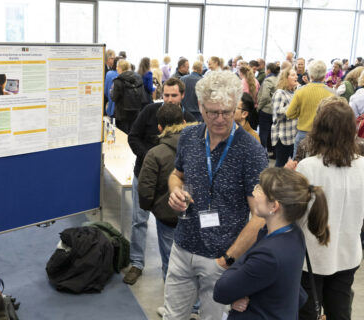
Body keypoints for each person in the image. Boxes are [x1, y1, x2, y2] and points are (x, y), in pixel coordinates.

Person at [163, 71, 268, 320]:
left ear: (237, 108)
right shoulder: (189, 136)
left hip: (221, 259)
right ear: (200, 106)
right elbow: (176, 175)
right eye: (212, 112)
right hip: (182, 247)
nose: (220, 119)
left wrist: (227, 260)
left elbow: (260, 216)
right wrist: (175, 190)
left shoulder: (251, 150)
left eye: (227, 112)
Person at [213, 167, 329, 319]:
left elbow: (221, 291)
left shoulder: (268, 255)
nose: (254, 193)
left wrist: (239, 292)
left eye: (260, 190)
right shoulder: (293, 232)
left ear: (274, 206)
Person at [287, 96, 364, 320]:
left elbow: (294, 213)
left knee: (307, 312)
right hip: (348, 253)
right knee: (340, 311)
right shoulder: (362, 166)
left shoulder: (307, 167)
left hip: (311, 256)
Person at [124, 78, 196, 286]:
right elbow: (133, 137)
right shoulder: (149, 111)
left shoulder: (189, 120)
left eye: (174, 95)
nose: (170, 99)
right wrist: (151, 158)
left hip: (171, 185)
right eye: (166, 95)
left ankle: (172, 273)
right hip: (144, 176)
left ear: (182, 96)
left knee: (172, 228)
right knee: (139, 220)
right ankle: (136, 263)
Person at [286, 60, 334, 158]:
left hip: (303, 134)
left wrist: (301, 112)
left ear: (310, 74)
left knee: (298, 165)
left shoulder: (300, 91)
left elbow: (289, 113)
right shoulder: (332, 93)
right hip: (323, 135)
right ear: (324, 74)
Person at [271, 67, 298, 167]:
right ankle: (275, 182)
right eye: (293, 75)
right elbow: (277, 114)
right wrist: (293, 106)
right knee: (280, 165)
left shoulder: (294, 93)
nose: (296, 77)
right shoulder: (280, 93)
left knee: (289, 165)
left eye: (296, 75)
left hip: (292, 135)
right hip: (283, 136)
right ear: (285, 78)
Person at [111, 59, 144, 134]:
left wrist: (111, 92)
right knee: (132, 134)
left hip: (122, 114)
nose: (116, 68)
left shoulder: (118, 81)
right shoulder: (138, 78)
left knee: (122, 135)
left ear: (120, 68)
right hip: (135, 111)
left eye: (117, 67)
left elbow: (114, 98)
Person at [257, 62, 279, 152]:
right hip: (274, 110)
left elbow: (265, 96)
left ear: (268, 70)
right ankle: (271, 151)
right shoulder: (278, 79)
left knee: (263, 132)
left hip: (266, 110)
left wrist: (259, 107)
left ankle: (261, 151)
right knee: (271, 132)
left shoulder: (268, 80)